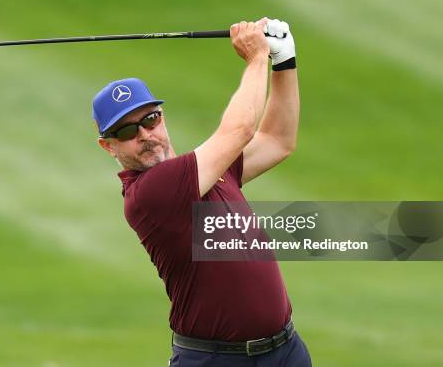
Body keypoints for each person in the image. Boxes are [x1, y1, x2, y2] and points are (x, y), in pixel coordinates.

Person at [93, 18, 310, 366]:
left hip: (285, 351)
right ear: (108, 146)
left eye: (151, 120)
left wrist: (284, 61)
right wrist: (257, 58)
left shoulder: (206, 171)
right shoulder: (151, 193)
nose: (146, 135)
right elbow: (239, 130)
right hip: (216, 360)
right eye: (128, 131)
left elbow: (277, 141)